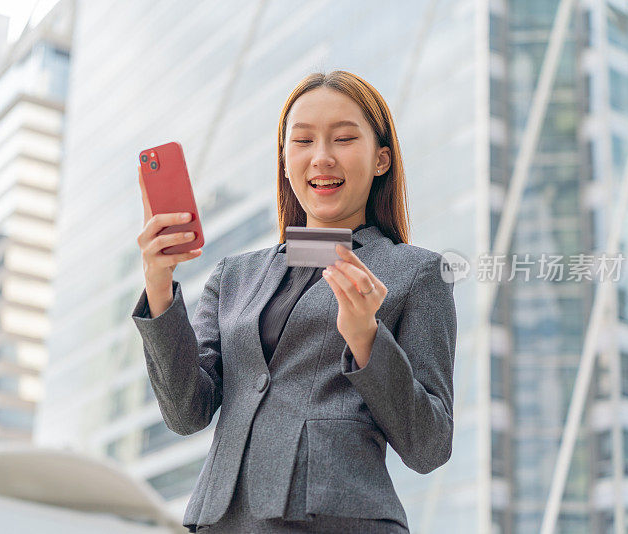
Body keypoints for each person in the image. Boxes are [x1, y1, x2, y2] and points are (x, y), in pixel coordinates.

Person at [131, 70, 457, 533]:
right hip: (222, 521)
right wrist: (159, 285)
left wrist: (367, 339)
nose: (321, 157)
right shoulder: (234, 275)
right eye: (302, 141)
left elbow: (429, 445)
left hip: (337, 519)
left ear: (382, 159)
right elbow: (186, 412)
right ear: (284, 161)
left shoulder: (417, 273)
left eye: (343, 138)